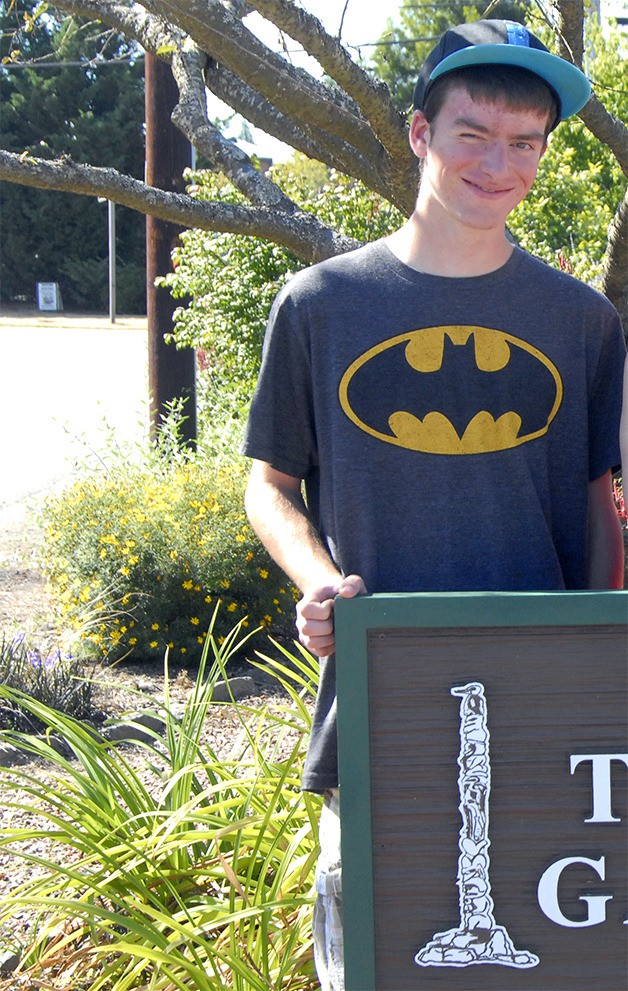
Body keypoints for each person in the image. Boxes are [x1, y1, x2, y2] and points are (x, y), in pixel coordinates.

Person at [242, 18, 626, 990]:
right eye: (473, 133)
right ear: (420, 133)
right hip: (380, 705)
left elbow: (597, 502)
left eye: (525, 142)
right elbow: (269, 484)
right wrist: (320, 582)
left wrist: (599, 664)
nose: (499, 164)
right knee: (378, 960)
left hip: (549, 714)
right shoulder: (320, 305)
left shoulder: (580, 321)